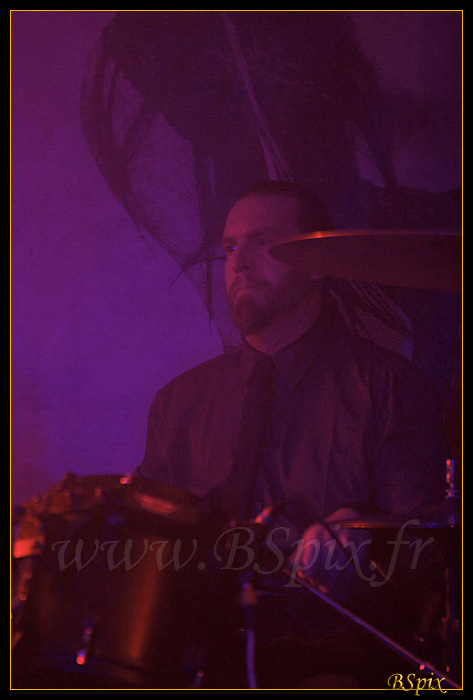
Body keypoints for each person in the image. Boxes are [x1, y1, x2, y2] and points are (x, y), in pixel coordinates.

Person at [135, 180, 449, 688]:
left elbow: (427, 545)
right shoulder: (178, 403)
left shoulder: (389, 386)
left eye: (263, 243)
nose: (239, 263)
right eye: (230, 247)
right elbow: (144, 538)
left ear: (318, 263)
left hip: (331, 659)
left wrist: (364, 531)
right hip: (193, 658)